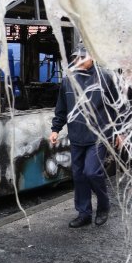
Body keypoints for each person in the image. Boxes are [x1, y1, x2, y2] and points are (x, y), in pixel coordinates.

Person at [50, 45, 122, 228]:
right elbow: (62, 108)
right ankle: (84, 214)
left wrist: (119, 131)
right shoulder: (68, 81)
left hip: (99, 135)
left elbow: (116, 106)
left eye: (83, 57)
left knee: (92, 172)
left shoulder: (105, 78)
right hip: (76, 136)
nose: (79, 60)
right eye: (76, 57)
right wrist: (55, 129)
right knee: (79, 176)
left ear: (92, 58)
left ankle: (104, 206)